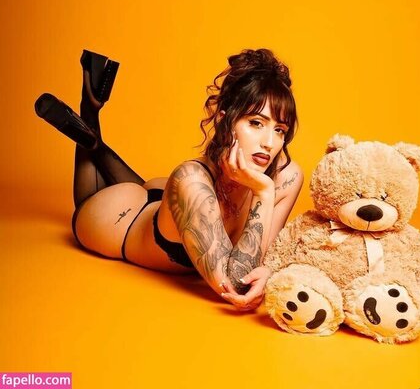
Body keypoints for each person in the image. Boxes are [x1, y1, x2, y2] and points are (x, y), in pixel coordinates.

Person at [34, 48, 303, 311]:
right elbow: (237, 285)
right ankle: (89, 113)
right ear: (224, 121)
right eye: (256, 123)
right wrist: (263, 193)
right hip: (121, 219)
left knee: (164, 187)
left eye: (279, 129)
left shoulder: (287, 176)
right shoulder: (193, 180)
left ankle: (95, 140)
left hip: (167, 196)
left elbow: (265, 258)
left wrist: (269, 269)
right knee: (85, 200)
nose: (269, 143)